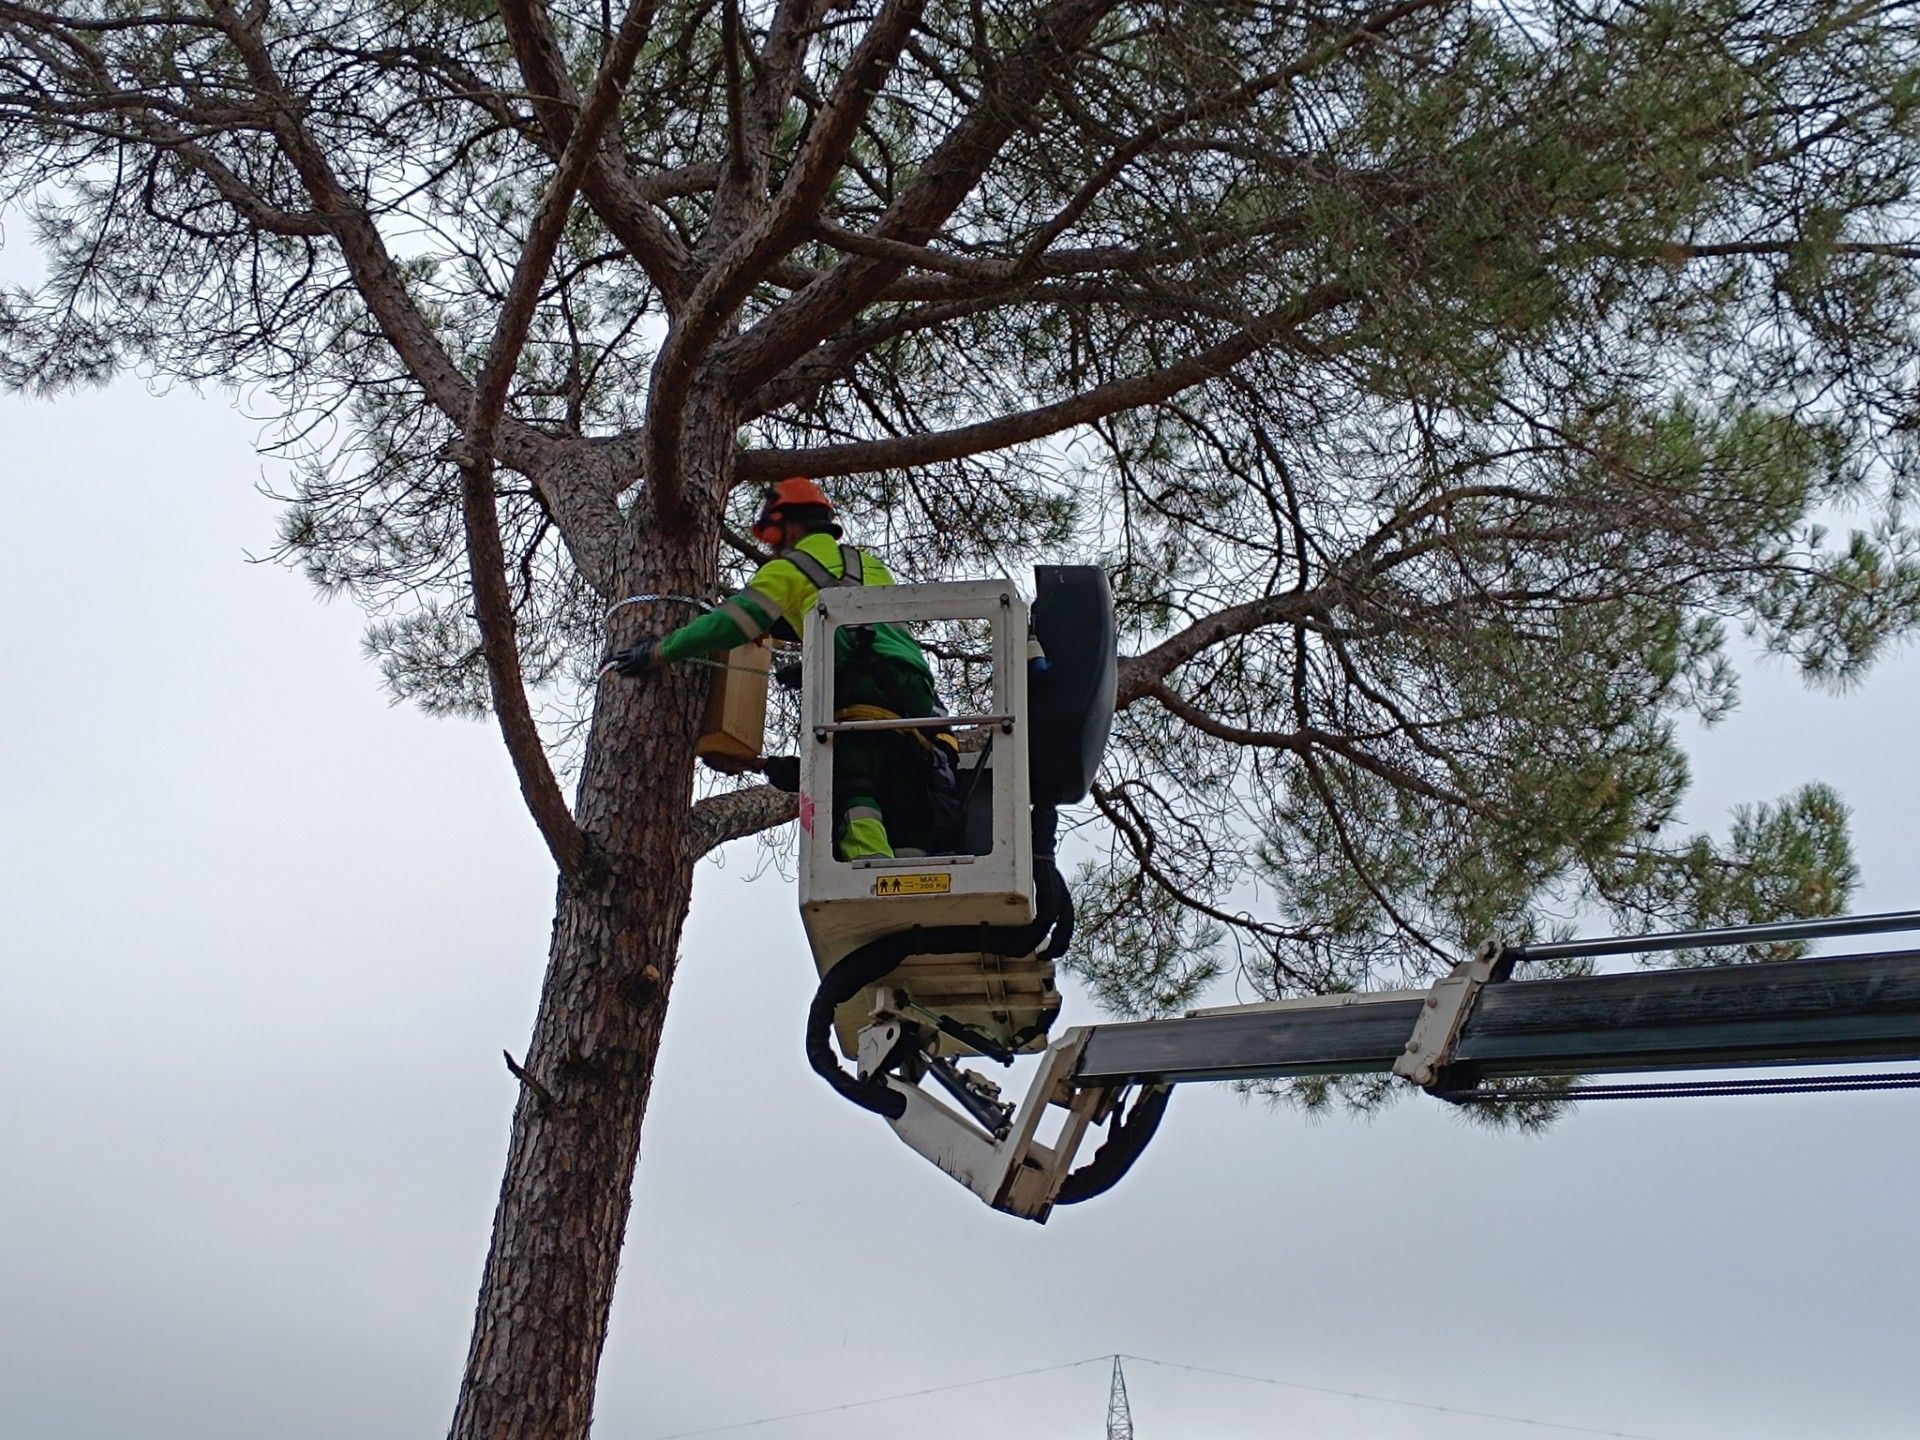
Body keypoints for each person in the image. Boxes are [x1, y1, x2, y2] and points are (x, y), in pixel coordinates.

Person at [608, 477, 959, 861]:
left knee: (853, 787)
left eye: (773, 538)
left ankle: (871, 875)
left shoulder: (789, 570)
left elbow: (728, 625)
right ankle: (912, 881)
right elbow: (853, 618)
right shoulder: (869, 565)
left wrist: (659, 651)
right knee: (905, 784)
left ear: (789, 524)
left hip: (861, 691)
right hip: (917, 695)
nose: (773, 548)